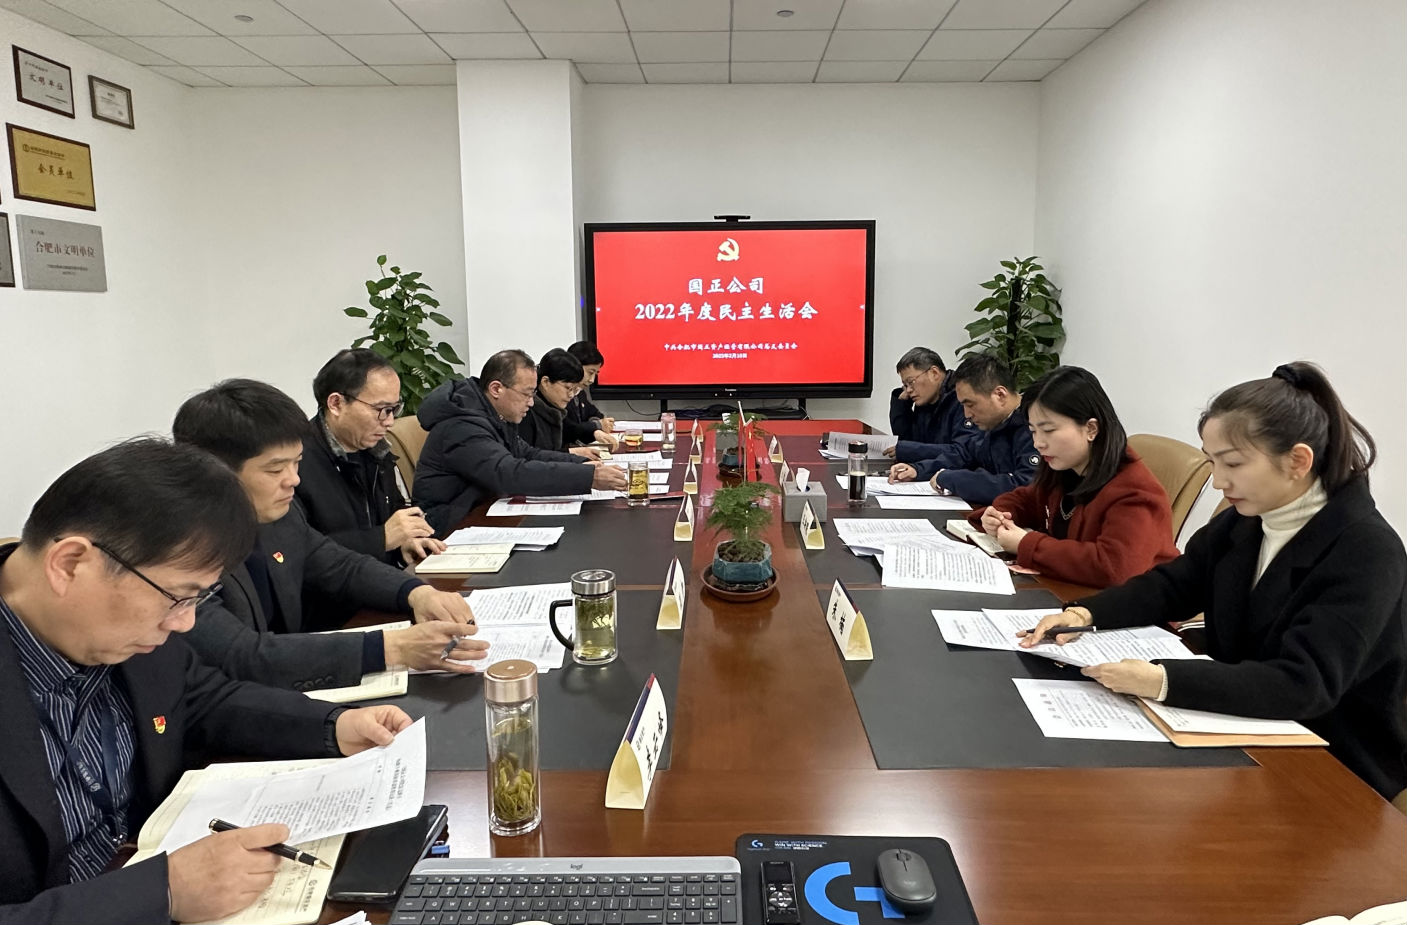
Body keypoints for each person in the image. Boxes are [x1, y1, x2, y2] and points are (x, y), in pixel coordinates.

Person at [0, 437, 415, 924]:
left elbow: (203, 699)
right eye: (179, 597)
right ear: (70, 564)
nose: (186, 622)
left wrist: (332, 725)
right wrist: (162, 892)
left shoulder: (120, 624)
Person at [1023, 362, 1407, 802]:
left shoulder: (1365, 551)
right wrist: (1085, 613)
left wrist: (1162, 680)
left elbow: (1304, 682)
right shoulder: (1247, 520)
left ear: (1297, 461)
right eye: (1212, 462)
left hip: (1331, 765)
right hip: (1237, 730)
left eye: (1233, 463)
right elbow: (1173, 585)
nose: (1219, 482)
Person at [173, 379, 489, 692]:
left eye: (296, 463)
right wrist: (389, 648)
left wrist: (417, 593)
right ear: (214, 472)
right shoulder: (177, 551)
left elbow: (340, 565)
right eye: (275, 470)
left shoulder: (279, 515)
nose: (293, 480)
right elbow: (243, 656)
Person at [965, 366, 1179, 587]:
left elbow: (1114, 568)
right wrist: (1001, 514)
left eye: (1048, 430)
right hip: (1073, 590)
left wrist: (1026, 544)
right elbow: (1028, 499)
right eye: (1033, 431)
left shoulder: (1135, 491)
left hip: (1135, 603)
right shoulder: (1065, 466)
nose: (1038, 443)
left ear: (1091, 429)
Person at [413, 349, 629, 535]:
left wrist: (582, 464)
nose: (531, 402)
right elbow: (508, 473)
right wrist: (588, 477)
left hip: (482, 510)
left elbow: (527, 453)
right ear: (496, 389)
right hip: (450, 524)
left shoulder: (493, 414)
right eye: (526, 394)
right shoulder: (462, 425)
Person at [296, 348, 444, 566]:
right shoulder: (296, 465)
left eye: (394, 409)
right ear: (336, 404)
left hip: (382, 576)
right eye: (382, 409)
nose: (390, 421)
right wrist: (381, 539)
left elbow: (393, 513)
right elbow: (299, 553)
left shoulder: (375, 451)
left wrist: (406, 541)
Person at [888, 353, 1038, 505]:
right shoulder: (996, 422)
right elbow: (965, 454)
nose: (967, 414)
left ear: (999, 395)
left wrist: (954, 479)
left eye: (970, 404)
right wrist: (918, 470)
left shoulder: (1035, 427)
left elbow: (1025, 486)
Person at [882, 346, 973, 461]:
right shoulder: (925, 400)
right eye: (905, 385)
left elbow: (962, 452)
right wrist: (901, 404)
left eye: (911, 382)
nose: (908, 390)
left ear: (934, 373)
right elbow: (908, 442)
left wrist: (910, 451)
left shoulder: (962, 398)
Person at [518, 348, 611, 457]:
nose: (571, 395)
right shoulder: (526, 412)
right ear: (546, 382)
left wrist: (593, 433)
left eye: (574, 389)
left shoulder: (553, 408)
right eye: (568, 388)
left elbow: (569, 430)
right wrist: (572, 453)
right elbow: (530, 458)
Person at [565, 340, 615, 442]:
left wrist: (597, 424)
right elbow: (568, 429)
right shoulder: (560, 394)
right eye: (590, 372)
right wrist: (597, 425)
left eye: (595, 374)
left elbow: (594, 413)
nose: (592, 380)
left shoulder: (580, 392)